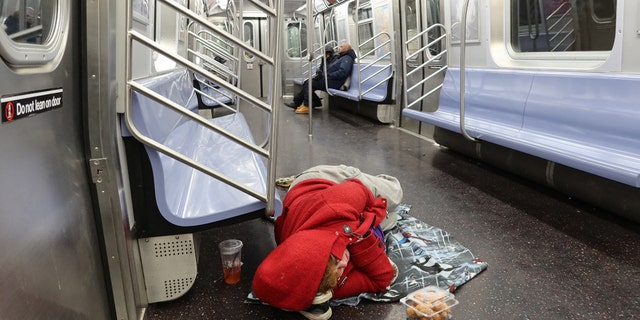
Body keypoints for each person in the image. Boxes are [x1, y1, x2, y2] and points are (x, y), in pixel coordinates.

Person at [253, 165, 402, 319]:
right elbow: (383, 279)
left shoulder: (336, 206)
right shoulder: (322, 282)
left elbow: (358, 190)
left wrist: (372, 213)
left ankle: (377, 179)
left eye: (335, 260)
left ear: (326, 245)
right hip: (336, 217)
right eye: (338, 271)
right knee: (391, 220)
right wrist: (359, 243)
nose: (343, 264)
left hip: (324, 182)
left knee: (394, 195)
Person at [287, 43, 357, 114]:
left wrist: (328, 76)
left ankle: (307, 105)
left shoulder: (347, 58)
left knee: (310, 83)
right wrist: (321, 74)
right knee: (308, 82)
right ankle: (301, 102)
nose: (339, 48)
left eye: (341, 47)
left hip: (334, 82)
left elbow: (343, 72)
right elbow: (327, 68)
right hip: (329, 79)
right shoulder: (341, 57)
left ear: (346, 49)